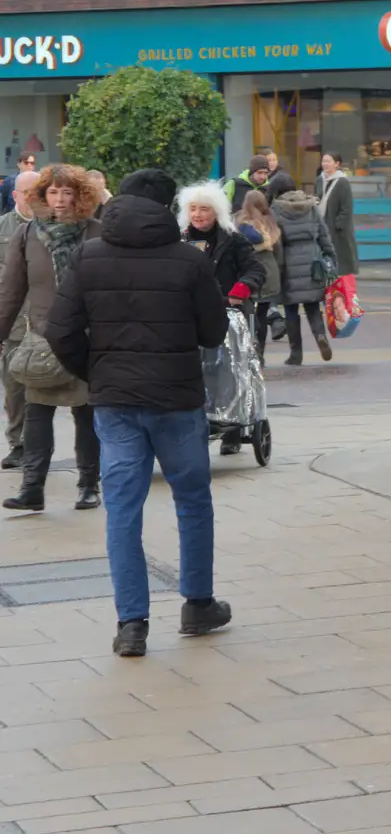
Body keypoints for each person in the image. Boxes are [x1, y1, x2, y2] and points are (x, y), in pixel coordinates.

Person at [45, 168, 231, 658]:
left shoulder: (89, 255)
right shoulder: (189, 262)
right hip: (177, 400)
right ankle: (198, 604)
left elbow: (60, 331)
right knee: (192, 500)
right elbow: (213, 333)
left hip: (116, 403)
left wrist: (98, 372)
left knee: (122, 510)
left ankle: (132, 624)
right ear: (169, 206)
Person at [0, 166, 103, 512]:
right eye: (53, 193)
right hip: (42, 339)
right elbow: (11, 292)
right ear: (41, 196)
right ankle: (32, 488)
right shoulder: (27, 234)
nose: (60, 200)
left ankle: (89, 485)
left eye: (67, 192)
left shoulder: (96, 233)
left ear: (80, 196)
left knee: (85, 414)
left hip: (86, 339)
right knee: (36, 412)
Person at [178, 183, 265, 455]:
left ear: (216, 212)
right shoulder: (179, 240)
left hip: (227, 313)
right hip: (189, 316)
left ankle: (232, 424)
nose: (198, 214)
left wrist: (242, 288)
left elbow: (255, 269)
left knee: (226, 368)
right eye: (193, 208)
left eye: (204, 208)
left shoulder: (233, 239)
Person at [271, 187, 336, 365]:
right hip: (312, 261)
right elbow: (323, 234)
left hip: (288, 262)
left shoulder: (276, 209)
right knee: (313, 307)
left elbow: (275, 241)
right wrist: (330, 255)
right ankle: (321, 336)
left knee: (291, 311)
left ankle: (296, 353)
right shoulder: (311, 206)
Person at [0, 169, 39, 470]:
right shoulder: (3, 227)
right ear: (15, 196)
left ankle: (40, 443)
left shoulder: (51, 227)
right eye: (28, 193)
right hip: (13, 322)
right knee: (14, 386)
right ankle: (18, 443)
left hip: (45, 320)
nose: (33, 198)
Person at [235, 191, 283, 362]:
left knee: (248, 315)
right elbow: (279, 252)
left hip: (249, 273)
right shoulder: (271, 222)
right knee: (262, 315)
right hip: (270, 271)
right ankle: (260, 355)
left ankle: (251, 354)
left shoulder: (240, 223)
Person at [318, 153, 359, 278]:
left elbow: (346, 208)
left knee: (341, 263)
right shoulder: (319, 180)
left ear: (337, 164)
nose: (325, 164)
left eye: (328, 161)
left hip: (337, 230)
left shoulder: (342, 182)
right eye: (323, 161)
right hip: (321, 224)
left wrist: (338, 226)